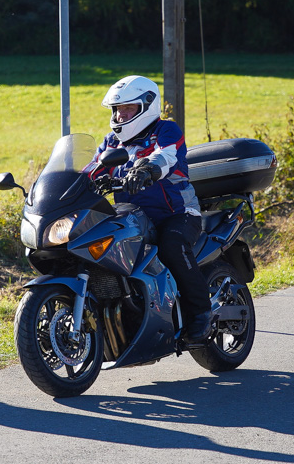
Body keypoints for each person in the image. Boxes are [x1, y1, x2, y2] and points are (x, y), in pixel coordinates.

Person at [87, 75, 213, 343]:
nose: (121, 116)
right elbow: (92, 168)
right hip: (132, 217)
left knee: (171, 245)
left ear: (146, 106)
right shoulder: (111, 142)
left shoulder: (166, 131)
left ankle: (202, 312)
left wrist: (146, 170)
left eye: (128, 109)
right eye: (118, 110)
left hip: (177, 215)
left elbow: (165, 157)